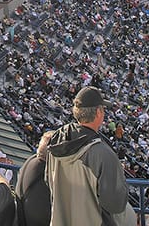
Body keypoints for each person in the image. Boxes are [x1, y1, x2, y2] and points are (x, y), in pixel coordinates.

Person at [44, 86, 133, 225]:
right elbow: (116, 204)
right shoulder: (104, 154)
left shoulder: (55, 140)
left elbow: (47, 180)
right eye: (103, 109)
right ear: (98, 112)